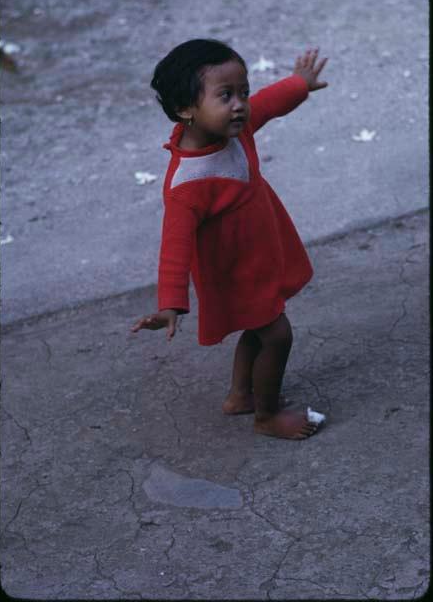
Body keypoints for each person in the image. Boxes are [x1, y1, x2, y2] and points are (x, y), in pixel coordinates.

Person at [131, 38, 328, 440]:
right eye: (225, 95)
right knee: (277, 334)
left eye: (243, 92)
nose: (240, 103)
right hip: (235, 272)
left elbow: (270, 103)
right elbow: (174, 245)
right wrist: (170, 304)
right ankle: (267, 415)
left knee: (259, 329)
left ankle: (241, 396)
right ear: (186, 109)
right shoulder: (187, 182)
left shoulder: (234, 128)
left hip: (257, 254)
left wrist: (299, 84)